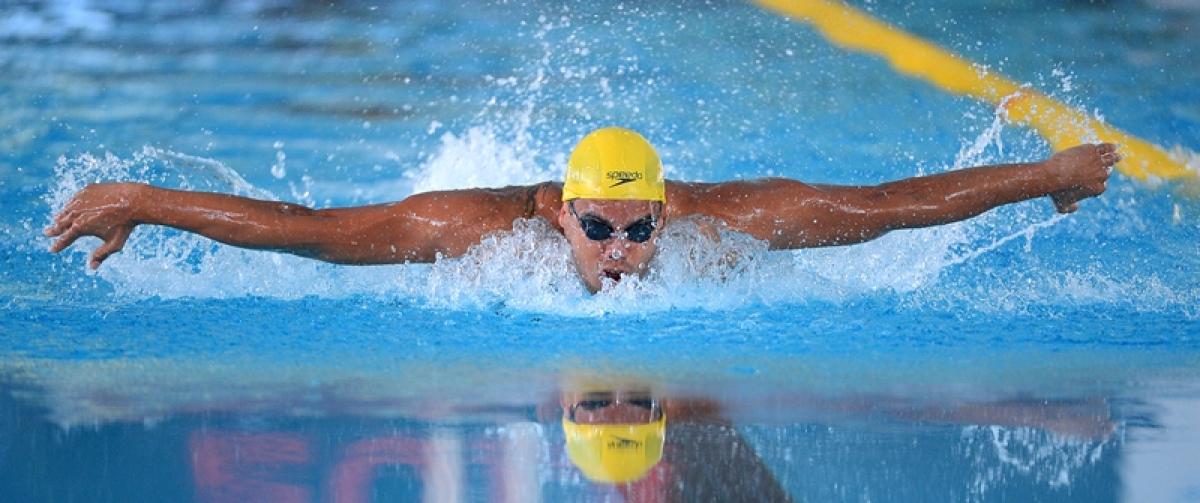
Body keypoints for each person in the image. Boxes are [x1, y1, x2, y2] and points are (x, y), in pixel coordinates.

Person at [46, 127, 1119, 293]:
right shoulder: (472, 231)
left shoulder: (730, 221)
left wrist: (1050, 173)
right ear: (560, 213)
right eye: (598, 229)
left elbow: (891, 206)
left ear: (667, 210)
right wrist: (146, 200)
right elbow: (313, 228)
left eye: (638, 228)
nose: (620, 256)